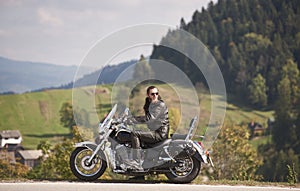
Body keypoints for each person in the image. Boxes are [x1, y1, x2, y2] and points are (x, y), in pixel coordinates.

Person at [129, 86, 170, 171]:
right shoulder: (149, 103)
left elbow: (149, 118)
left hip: (159, 133)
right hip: (154, 131)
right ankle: (139, 174)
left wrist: (133, 119)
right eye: (152, 94)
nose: (155, 95)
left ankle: (136, 161)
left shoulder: (160, 105)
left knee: (135, 134)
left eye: (156, 93)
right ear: (148, 95)